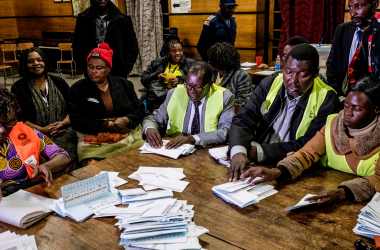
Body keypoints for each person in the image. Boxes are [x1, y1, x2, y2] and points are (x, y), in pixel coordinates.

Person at [241, 77, 380, 205]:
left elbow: (378, 180)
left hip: (362, 205)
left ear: (376, 110)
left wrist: (342, 192)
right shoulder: (333, 125)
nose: (348, 113)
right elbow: (306, 154)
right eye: (346, 106)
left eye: (357, 109)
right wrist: (277, 172)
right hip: (322, 191)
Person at [229, 44, 340, 181]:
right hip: (252, 158)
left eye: (303, 75)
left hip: (291, 166)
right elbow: (244, 118)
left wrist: (260, 152)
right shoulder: (269, 83)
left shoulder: (327, 99)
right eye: (289, 72)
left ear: (316, 74)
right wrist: (238, 151)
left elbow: (309, 143)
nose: (293, 81)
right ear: (283, 68)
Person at [69, 43, 145, 162]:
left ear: (108, 69)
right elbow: (76, 120)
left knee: (138, 160)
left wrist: (127, 119)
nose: (93, 71)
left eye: (99, 68)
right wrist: (106, 125)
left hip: (125, 133)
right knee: (92, 167)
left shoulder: (124, 84)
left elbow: (139, 110)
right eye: (90, 67)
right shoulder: (78, 89)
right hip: (94, 138)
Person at [143, 62, 235, 148]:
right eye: (188, 85)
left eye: (197, 87)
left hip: (207, 149)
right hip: (176, 148)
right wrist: (150, 128)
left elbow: (225, 132)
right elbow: (154, 118)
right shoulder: (174, 93)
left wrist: (193, 138)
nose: (192, 91)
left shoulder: (224, 97)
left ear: (210, 84)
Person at [0, 89, 71, 198]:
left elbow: (63, 156)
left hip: (33, 194)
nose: (1, 130)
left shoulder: (25, 132)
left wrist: (47, 166)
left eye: (9, 122)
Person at [12, 48, 77, 163]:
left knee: (68, 158)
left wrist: (63, 123)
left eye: (39, 60)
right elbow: (19, 118)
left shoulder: (59, 82)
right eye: (31, 61)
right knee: (36, 162)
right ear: (25, 65)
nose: (36, 63)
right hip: (33, 135)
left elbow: (73, 109)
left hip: (63, 131)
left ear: (45, 62)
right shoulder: (18, 87)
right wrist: (42, 130)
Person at [73, 0, 138, 78]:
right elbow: (77, 46)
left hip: (117, 72)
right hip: (91, 72)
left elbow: (132, 46)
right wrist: (84, 67)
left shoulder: (122, 19)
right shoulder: (83, 19)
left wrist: (125, 68)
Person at [326, 0, 379, 94]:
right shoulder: (342, 30)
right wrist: (335, 93)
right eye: (350, 7)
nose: (353, 12)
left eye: (358, 6)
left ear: (375, 5)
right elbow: (332, 66)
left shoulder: (378, 33)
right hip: (344, 93)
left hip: (372, 96)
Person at [141, 39, 195, 112]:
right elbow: (144, 79)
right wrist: (156, 75)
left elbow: (196, 81)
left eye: (180, 50)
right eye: (174, 51)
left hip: (179, 99)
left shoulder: (190, 64)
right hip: (158, 99)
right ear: (168, 52)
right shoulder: (158, 63)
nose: (178, 53)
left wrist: (180, 80)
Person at [207, 42, 253, 109]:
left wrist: (218, 104)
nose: (209, 62)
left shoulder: (241, 76)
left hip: (230, 114)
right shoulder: (212, 73)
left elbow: (243, 102)